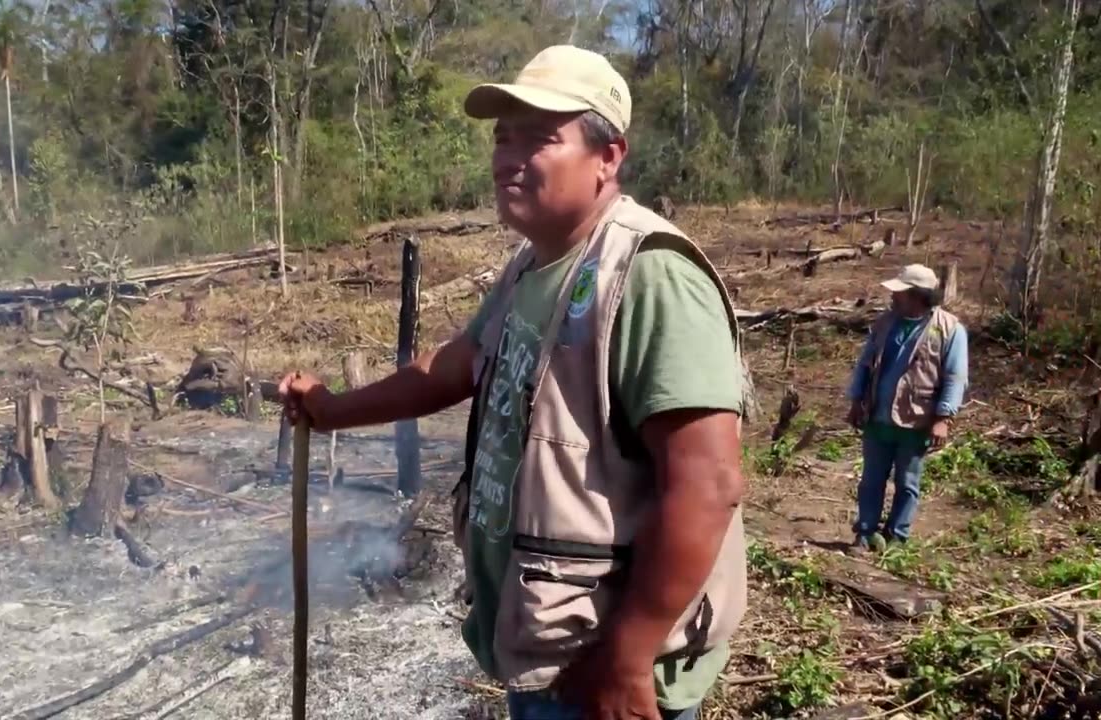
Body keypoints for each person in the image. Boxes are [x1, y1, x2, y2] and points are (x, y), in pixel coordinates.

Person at [278, 45, 748, 720]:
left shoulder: (650, 276)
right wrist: (332, 409)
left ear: (608, 156)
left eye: (539, 138)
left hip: (601, 667)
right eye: (502, 139)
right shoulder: (534, 266)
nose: (508, 158)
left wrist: (628, 654)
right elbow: (459, 363)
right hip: (546, 644)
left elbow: (707, 484)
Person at [845, 263, 969, 552]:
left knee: (907, 482)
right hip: (878, 416)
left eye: (900, 294)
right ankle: (865, 533)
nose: (893, 298)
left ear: (918, 296)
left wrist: (943, 418)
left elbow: (955, 377)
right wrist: (856, 400)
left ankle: (897, 536)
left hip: (916, 421)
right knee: (871, 480)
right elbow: (865, 364)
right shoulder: (885, 323)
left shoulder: (950, 330)